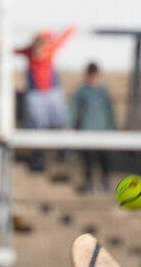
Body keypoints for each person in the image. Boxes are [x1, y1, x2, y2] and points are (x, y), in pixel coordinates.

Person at [16, 26, 76, 170]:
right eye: (36, 53)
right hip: (35, 95)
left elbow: (63, 38)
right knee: (36, 125)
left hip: (52, 93)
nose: (39, 55)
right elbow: (9, 49)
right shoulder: (28, 52)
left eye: (41, 52)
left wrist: (72, 28)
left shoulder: (51, 48)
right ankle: (37, 156)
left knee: (61, 121)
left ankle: (65, 148)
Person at [68, 62, 117, 193]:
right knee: (88, 160)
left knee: (104, 159)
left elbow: (110, 112)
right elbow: (74, 109)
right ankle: (89, 183)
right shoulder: (81, 91)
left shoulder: (103, 92)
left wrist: (113, 128)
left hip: (103, 132)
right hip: (87, 131)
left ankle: (105, 182)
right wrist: (70, 126)